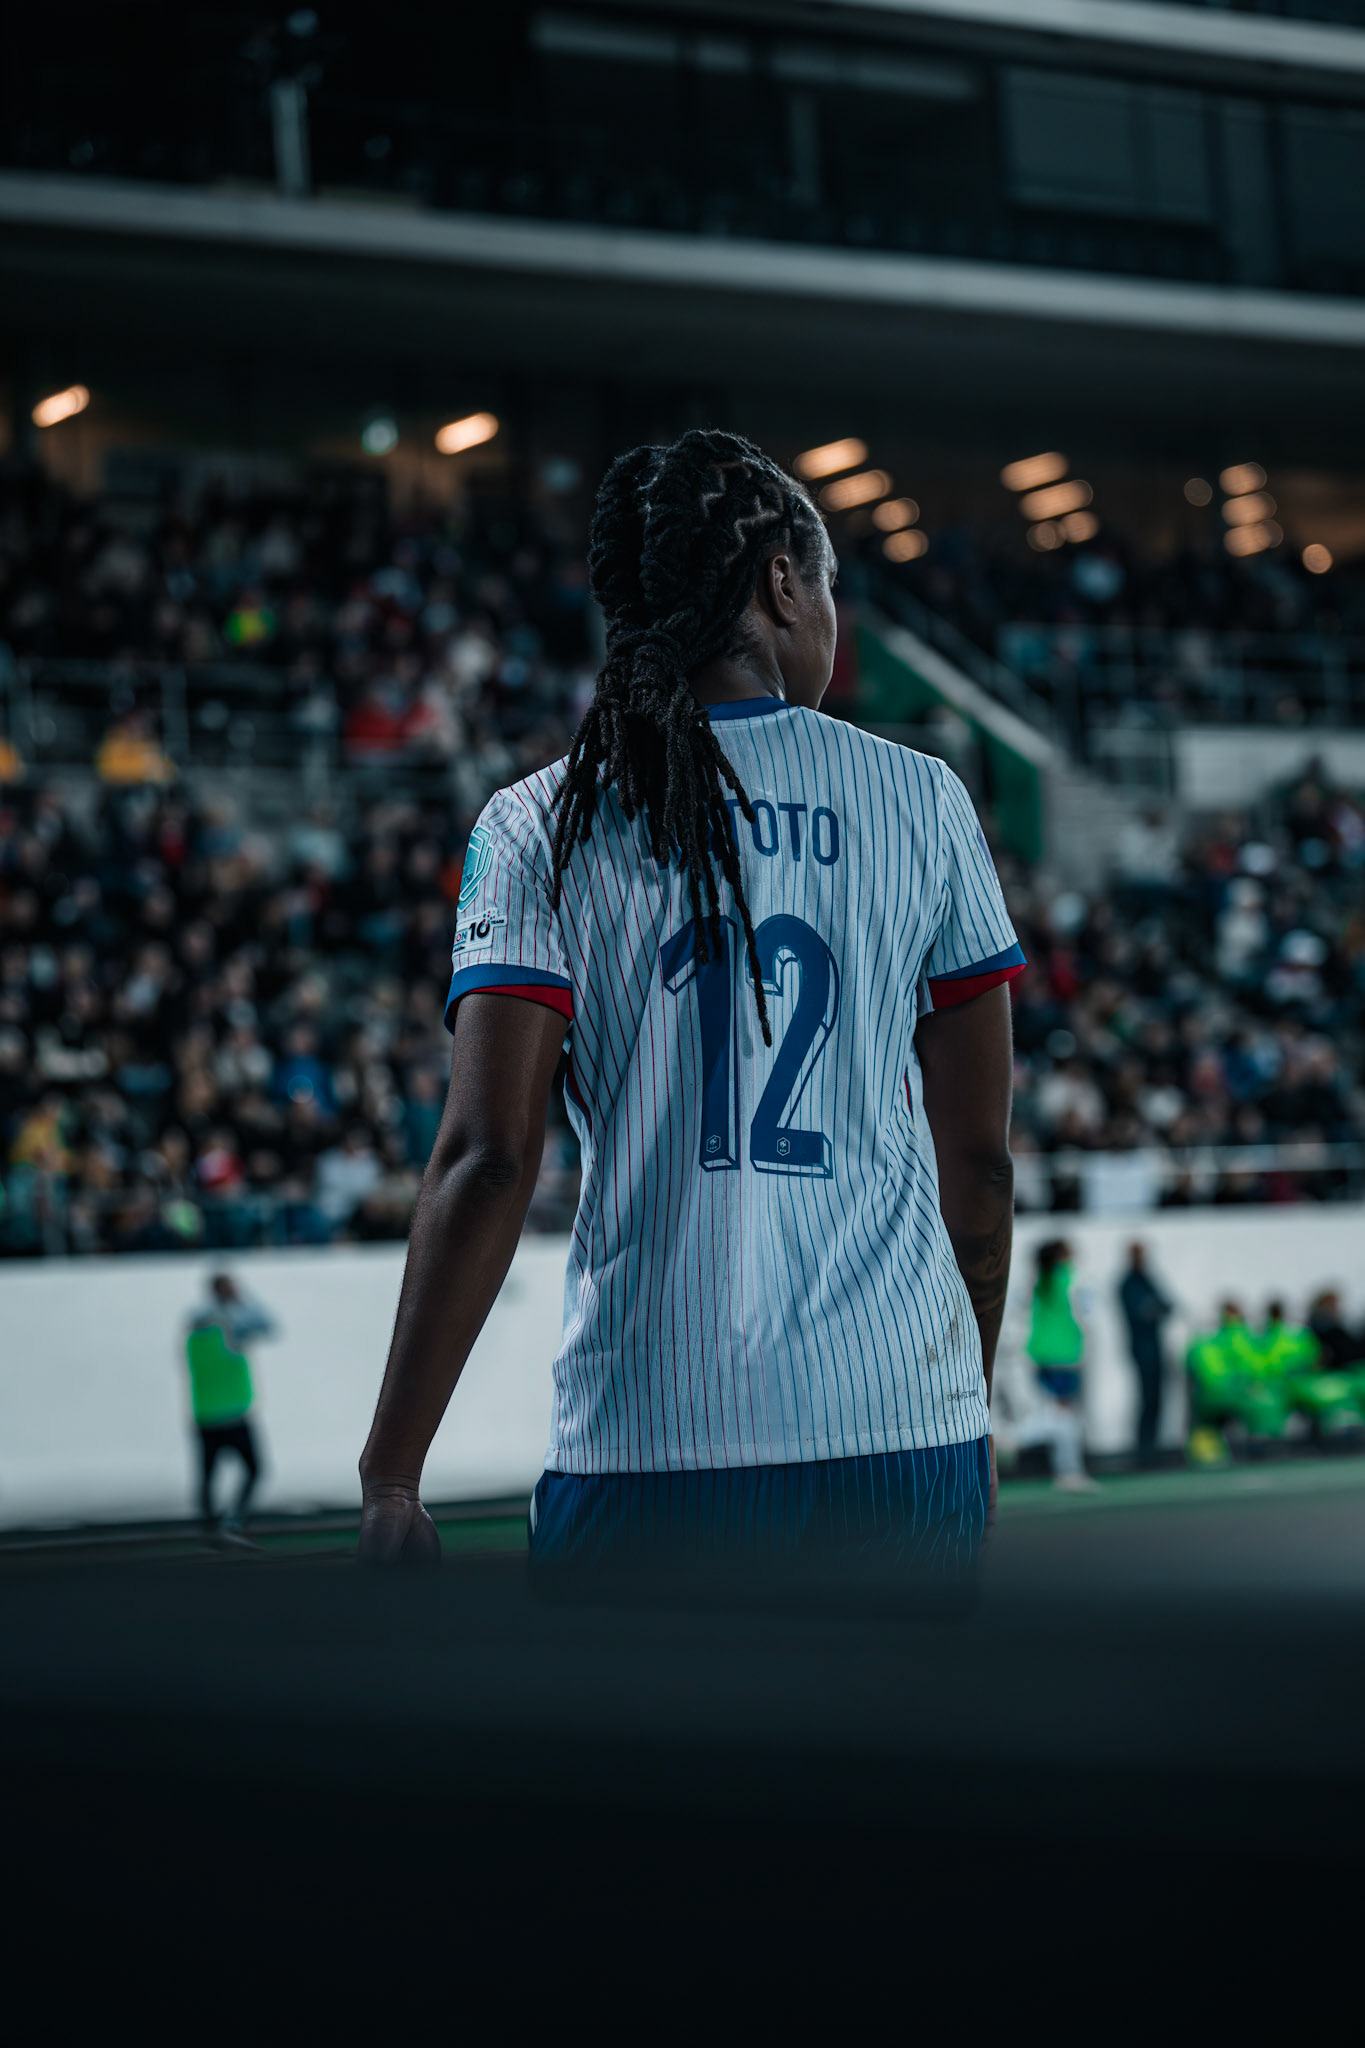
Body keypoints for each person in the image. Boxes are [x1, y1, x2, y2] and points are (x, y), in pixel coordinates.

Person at [358, 428, 1024, 1579]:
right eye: (827, 591)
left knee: (656, 1759)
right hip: (898, 1432)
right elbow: (981, 1163)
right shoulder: (924, 800)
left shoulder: (538, 822)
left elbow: (487, 1160)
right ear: (781, 582)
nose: (831, 624)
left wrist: (394, 1473)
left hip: (645, 1445)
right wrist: (961, 1390)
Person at [184, 1272, 277, 1539]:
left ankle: (208, 1529)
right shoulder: (231, 1327)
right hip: (233, 1414)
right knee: (254, 1469)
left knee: (207, 1478)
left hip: (204, 1415)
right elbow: (269, 1325)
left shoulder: (193, 1331)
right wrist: (244, 1299)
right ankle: (233, 1520)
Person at [1118, 1241, 1173, 1468]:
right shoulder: (1128, 1284)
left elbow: (1167, 1305)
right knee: (1147, 1400)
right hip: (1142, 1350)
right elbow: (1144, 1311)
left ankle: (1152, 1450)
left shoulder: (1146, 1280)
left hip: (1153, 1349)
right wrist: (1154, 1308)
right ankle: (1145, 1452)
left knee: (1156, 1401)